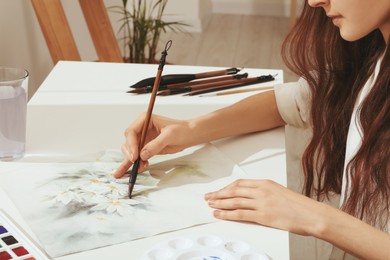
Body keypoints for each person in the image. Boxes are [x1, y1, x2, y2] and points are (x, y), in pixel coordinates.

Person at [114, 0, 390, 259]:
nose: (314, 2)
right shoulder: (376, 54)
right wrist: (190, 129)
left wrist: (317, 219)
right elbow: (292, 101)